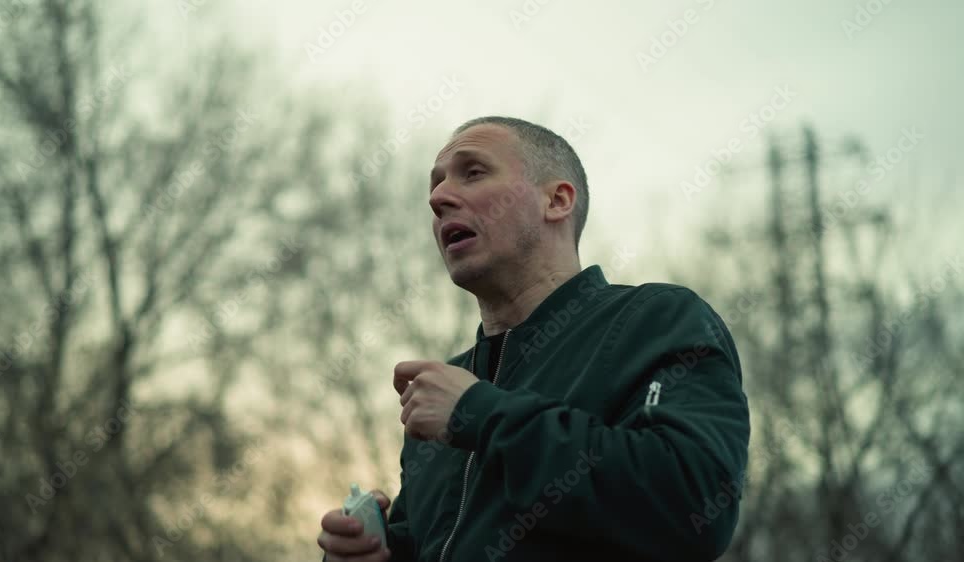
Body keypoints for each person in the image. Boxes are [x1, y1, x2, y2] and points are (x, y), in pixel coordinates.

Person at [318, 116, 750, 561]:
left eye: (473, 172)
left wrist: (478, 412)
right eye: (436, 184)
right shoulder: (444, 390)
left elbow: (692, 508)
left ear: (557, 200)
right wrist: (371, 552)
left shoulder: (657, 320)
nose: (438, 198)